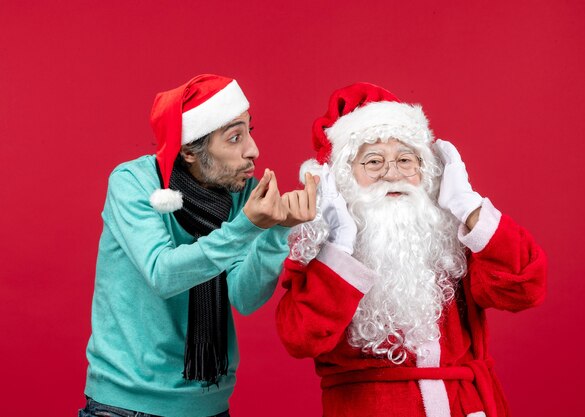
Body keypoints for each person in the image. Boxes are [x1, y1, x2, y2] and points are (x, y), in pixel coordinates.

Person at [276, 82, 547, 417]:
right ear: (343, 180)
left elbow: (525, 289)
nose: (393, 173)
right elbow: (301, 338)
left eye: (406, 159)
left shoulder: (448, 238)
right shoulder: (320, 253)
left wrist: (468, 207)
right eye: (373, 162)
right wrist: (340, 244)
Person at [81, 74, 317, 417]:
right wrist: (246, 227)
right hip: (125, 406)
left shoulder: (240, 195)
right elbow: (163, 273)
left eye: (250, 131)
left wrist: (276, 232)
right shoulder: (132, 183)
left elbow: (244, 297)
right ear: (189, 150)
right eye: (235, 137)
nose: (253, 150)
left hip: (209, 406)